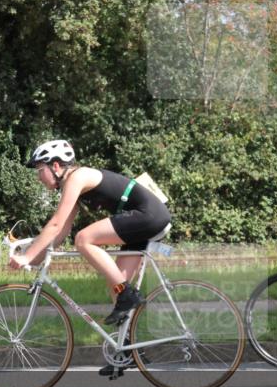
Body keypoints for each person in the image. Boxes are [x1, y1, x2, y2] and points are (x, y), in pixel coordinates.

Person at [9, 139, 172, 375]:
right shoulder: (73, 185)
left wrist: (28, 254)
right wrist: (33, 259)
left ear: (56, 166)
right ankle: (127, 350)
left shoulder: (78, 177)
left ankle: (129, 294)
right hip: (142, 220)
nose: (38, 176)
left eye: (39, 169)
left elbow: (55, 224)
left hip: (149, 215)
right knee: (115, 284)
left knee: (84, 238)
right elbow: (61, 230)